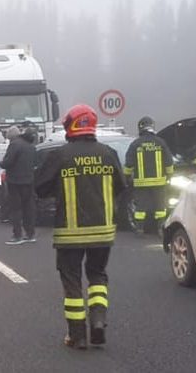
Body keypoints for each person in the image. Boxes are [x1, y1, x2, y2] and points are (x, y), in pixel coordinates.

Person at [35, 104, 127, 349]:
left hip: (69, 233)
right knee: (97, 276)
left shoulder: (60, 155)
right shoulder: (108, 153)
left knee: (72, 279)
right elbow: (121, 186)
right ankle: (98, 320)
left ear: (70, 126)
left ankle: (77, 335)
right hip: (103, 231)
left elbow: (40, 188)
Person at [124, 116, 174, 234]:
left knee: (140, 207)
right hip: (159, 183)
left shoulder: (135, 144)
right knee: (160, 207)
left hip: (141, 183)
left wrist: (126, 177)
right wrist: (169, 176)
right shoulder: (160, 142)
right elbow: (169, 162)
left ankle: (140, 229)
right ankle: (160, 228)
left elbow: (128, 164)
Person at [0, 125, 38, 244]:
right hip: (29, 181)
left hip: (15, 182)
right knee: (28, 208)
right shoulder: (30, 146)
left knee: (16, 209)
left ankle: (17, 236)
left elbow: (8, 162)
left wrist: (1, 163)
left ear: (10, 136)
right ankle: (30, 234)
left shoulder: (14, 145)